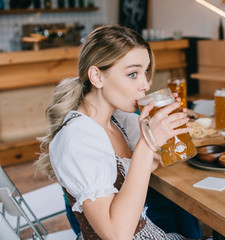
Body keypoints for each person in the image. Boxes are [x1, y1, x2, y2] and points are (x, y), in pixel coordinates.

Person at [35, 25, 190, 240]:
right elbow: (117, 236)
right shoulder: (78, 137)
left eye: (145, 72)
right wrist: (148, 144)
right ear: (97, 77)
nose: (145, 84)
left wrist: (163, 132)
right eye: (133, 74)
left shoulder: (117, 121)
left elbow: (150, 163)